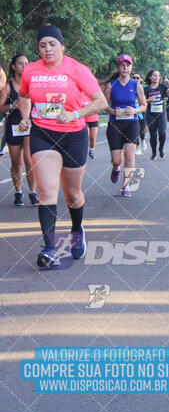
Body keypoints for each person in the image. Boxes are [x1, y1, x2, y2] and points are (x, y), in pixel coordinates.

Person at [18, 24, 107, 268]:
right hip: (42, 134)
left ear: (62, 46)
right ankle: (49, 248)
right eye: (42, 45)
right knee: (47, 191)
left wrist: (75, 113)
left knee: (73, 195)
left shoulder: (77, 69)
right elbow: (24, 97)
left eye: (52, 44)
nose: (47, 49)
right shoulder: (31, 71)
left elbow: (100, 101)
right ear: (38, 48)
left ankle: (77, 230)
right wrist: (26, 116)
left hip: (73, 135)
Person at [105, 55, 147, 196]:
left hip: (131, 123)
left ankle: (126, 186)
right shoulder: (111, 85)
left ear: (131, 67)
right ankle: (116, 168)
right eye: (122, 65)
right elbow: (103, 104)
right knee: (116, 160)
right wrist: (112, 110)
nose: (125, 68)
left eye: (127, 65)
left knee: (130, 155)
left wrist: (135, 110)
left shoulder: (136, 85)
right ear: (118, 67)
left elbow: (143, 105)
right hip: (115, 124)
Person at [0, 54, 38, 206]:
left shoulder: (33, 84)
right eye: (20, 63)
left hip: (29, 125)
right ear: (13, 67)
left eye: (26, 63)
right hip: (13, 126)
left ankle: (32, 192)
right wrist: (11, 105)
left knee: (30, 160)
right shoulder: (8, 87)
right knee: (17, 163)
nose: (24, 66)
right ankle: (18, 192)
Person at [144, 70, 169, 160]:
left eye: (158, 76)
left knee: (162, 132)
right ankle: (154, 153)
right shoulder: (146, 89)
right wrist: (149, 100)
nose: (157, 77)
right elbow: (141, 101)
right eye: (154, 75)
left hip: (161, 114)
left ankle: (161, 149)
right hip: (150, 114)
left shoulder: (162, 87)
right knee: (153, 135)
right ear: (150, 77)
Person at [133, 72, 147, 154]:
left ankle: (143, 140)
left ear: (140, 79)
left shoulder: (145, 88)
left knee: (141, 130)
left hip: (142, 111)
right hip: (133, 111)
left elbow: (148, 99)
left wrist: (144, 102)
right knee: (135, 130)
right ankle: (137, 148)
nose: (135, 79)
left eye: (137, 78)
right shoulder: (129, 87)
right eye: (134, 78)